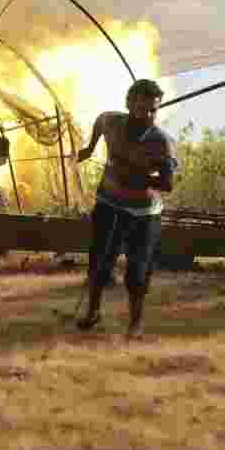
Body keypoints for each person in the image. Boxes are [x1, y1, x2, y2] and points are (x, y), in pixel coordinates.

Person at [75, 78, 178, 338]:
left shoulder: (160, 142)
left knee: (137, 271)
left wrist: (138, 177)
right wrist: (89, 148)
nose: (148, 115)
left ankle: (135, 324)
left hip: (143, 214)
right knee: (99, 263)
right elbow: (99, 121)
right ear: (129, 104)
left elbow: (167, 184)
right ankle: (93, 313)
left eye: (154, 110)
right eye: (142, 108)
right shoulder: (111, 121)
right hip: (108, 204)